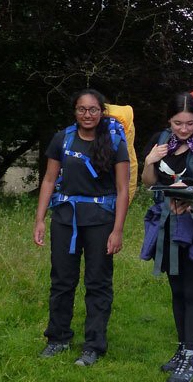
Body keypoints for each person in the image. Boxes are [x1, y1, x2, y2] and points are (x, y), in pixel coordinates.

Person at [34, 89, 130, 367]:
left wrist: (118, 230)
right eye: (81, 109)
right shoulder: (62, 139)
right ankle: (58, 338)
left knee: (98, 282)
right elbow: (49, 181)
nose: (87, 115)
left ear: (102, 112)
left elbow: (123, 189)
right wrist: (40, 219)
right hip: (65, 218)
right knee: (62, 280)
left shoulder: (114, 141)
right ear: (75, 111)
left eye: (93, 110)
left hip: (101, 221)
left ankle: (94, 345)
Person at [140, 93, 193, 382]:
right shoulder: (159, 140)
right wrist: (150, 161)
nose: (184, 129)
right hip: (166, 221)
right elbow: (149, 182)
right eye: (177, 123)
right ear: (168, 120)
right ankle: (181, 347)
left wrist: (187, 201)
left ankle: (191, 355)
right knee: (175, 288)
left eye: (190, 123)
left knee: (191, 288)